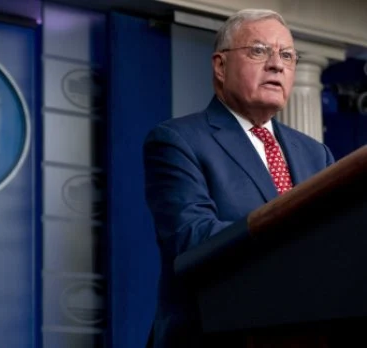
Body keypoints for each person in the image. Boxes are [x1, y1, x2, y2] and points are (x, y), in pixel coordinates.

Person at [143, 8, 335, 348]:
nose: (277, 64)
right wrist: (293, 239)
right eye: (259, 51)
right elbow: (191, 238)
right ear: (220, 66)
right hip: (214, 336)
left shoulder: (315, 154)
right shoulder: (177, 140)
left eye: (287, 55)